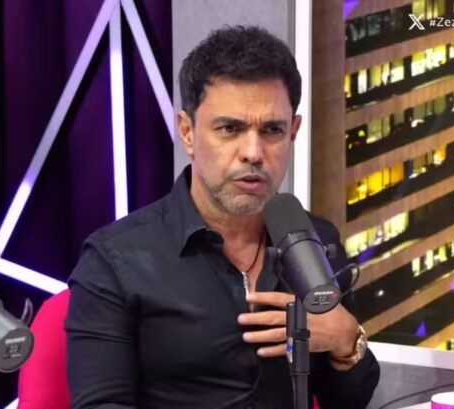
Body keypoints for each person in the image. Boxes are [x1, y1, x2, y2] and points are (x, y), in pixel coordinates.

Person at [66, 25, 380, 409]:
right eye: (230, 129)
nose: (253, 152)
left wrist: (347, 340)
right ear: (188, 132)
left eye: (272, 130)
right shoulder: (115, 261)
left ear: (293, 132)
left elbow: (349, 401)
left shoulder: (317, 241)